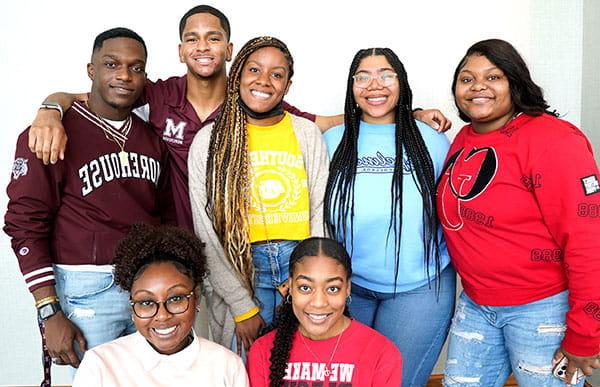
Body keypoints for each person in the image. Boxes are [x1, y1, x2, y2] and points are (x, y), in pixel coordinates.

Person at [27, 5, 451, 231]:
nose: (203, 47)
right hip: (176, 238)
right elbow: (96, 93)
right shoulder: (157, 93)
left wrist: (403, 110)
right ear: (180, 50)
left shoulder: (255, 99)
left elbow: (324, 122)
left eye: (214, 38)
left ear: (230, 49)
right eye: (192, 39)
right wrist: (51, 106)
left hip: (240, 245)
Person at [437, 38, 600, 387]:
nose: (478, 86)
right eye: (467, 79)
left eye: (493, 76)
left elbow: (589, 240)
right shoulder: (464, 138)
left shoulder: (554, 140)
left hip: (542, 309)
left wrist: (587, 332)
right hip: (477, 302)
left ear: (515, 82)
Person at [3, 27, 173, 369]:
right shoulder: (50, 132)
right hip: (85, 288)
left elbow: (165, 216)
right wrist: (48, 310)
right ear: (91, 70)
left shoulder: (151, 139)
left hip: (146, 286)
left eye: (136, 68)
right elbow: (24, 224)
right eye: (112, 64)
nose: (124, 75)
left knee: (150, 385)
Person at [323, 48, 455, 387]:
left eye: (386, 74)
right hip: (350, 290)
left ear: (402, 82)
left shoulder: (431, 139)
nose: (374, 84)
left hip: (420, 290)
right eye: (363, 76)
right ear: (351, 87)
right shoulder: (331, 141)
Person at [189, 36, 328, 354]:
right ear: (237, 74)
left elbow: (320, 211)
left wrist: (310, 280)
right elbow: (206, 231)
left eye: (276, 74)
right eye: (254, 69)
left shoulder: (305, 133)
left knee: (299, 365)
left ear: (287, 85)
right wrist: (241, 305)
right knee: (245, 370)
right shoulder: (208, 141)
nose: (264, 81)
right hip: (243, 270)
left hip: (299, 265)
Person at [70, 224, 250, 387]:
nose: (162, 316)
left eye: (175, 299)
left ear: (195, 298)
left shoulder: (226, 365)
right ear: (132, 308)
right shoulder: (100, 365)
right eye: (146, 302)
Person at [247, 237, 402, 387]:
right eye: (305, 288)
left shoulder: (382, 354)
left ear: (347, 288)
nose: (319, 303)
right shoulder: (262, 352)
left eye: (333, 288)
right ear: (290, 286)